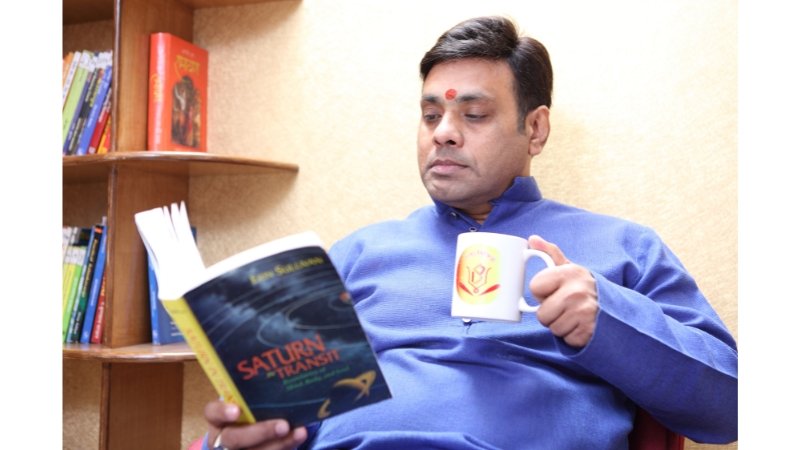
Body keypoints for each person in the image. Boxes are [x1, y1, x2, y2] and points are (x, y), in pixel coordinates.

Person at [202, 16, 738, 450]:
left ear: (535, 129)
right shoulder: (357, 254)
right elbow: (277, 414)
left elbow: (731, 407)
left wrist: (609, 318)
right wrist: (234, 441)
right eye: (430, 114)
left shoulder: (624, 248)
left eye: (474, 114)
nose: (444, 133)